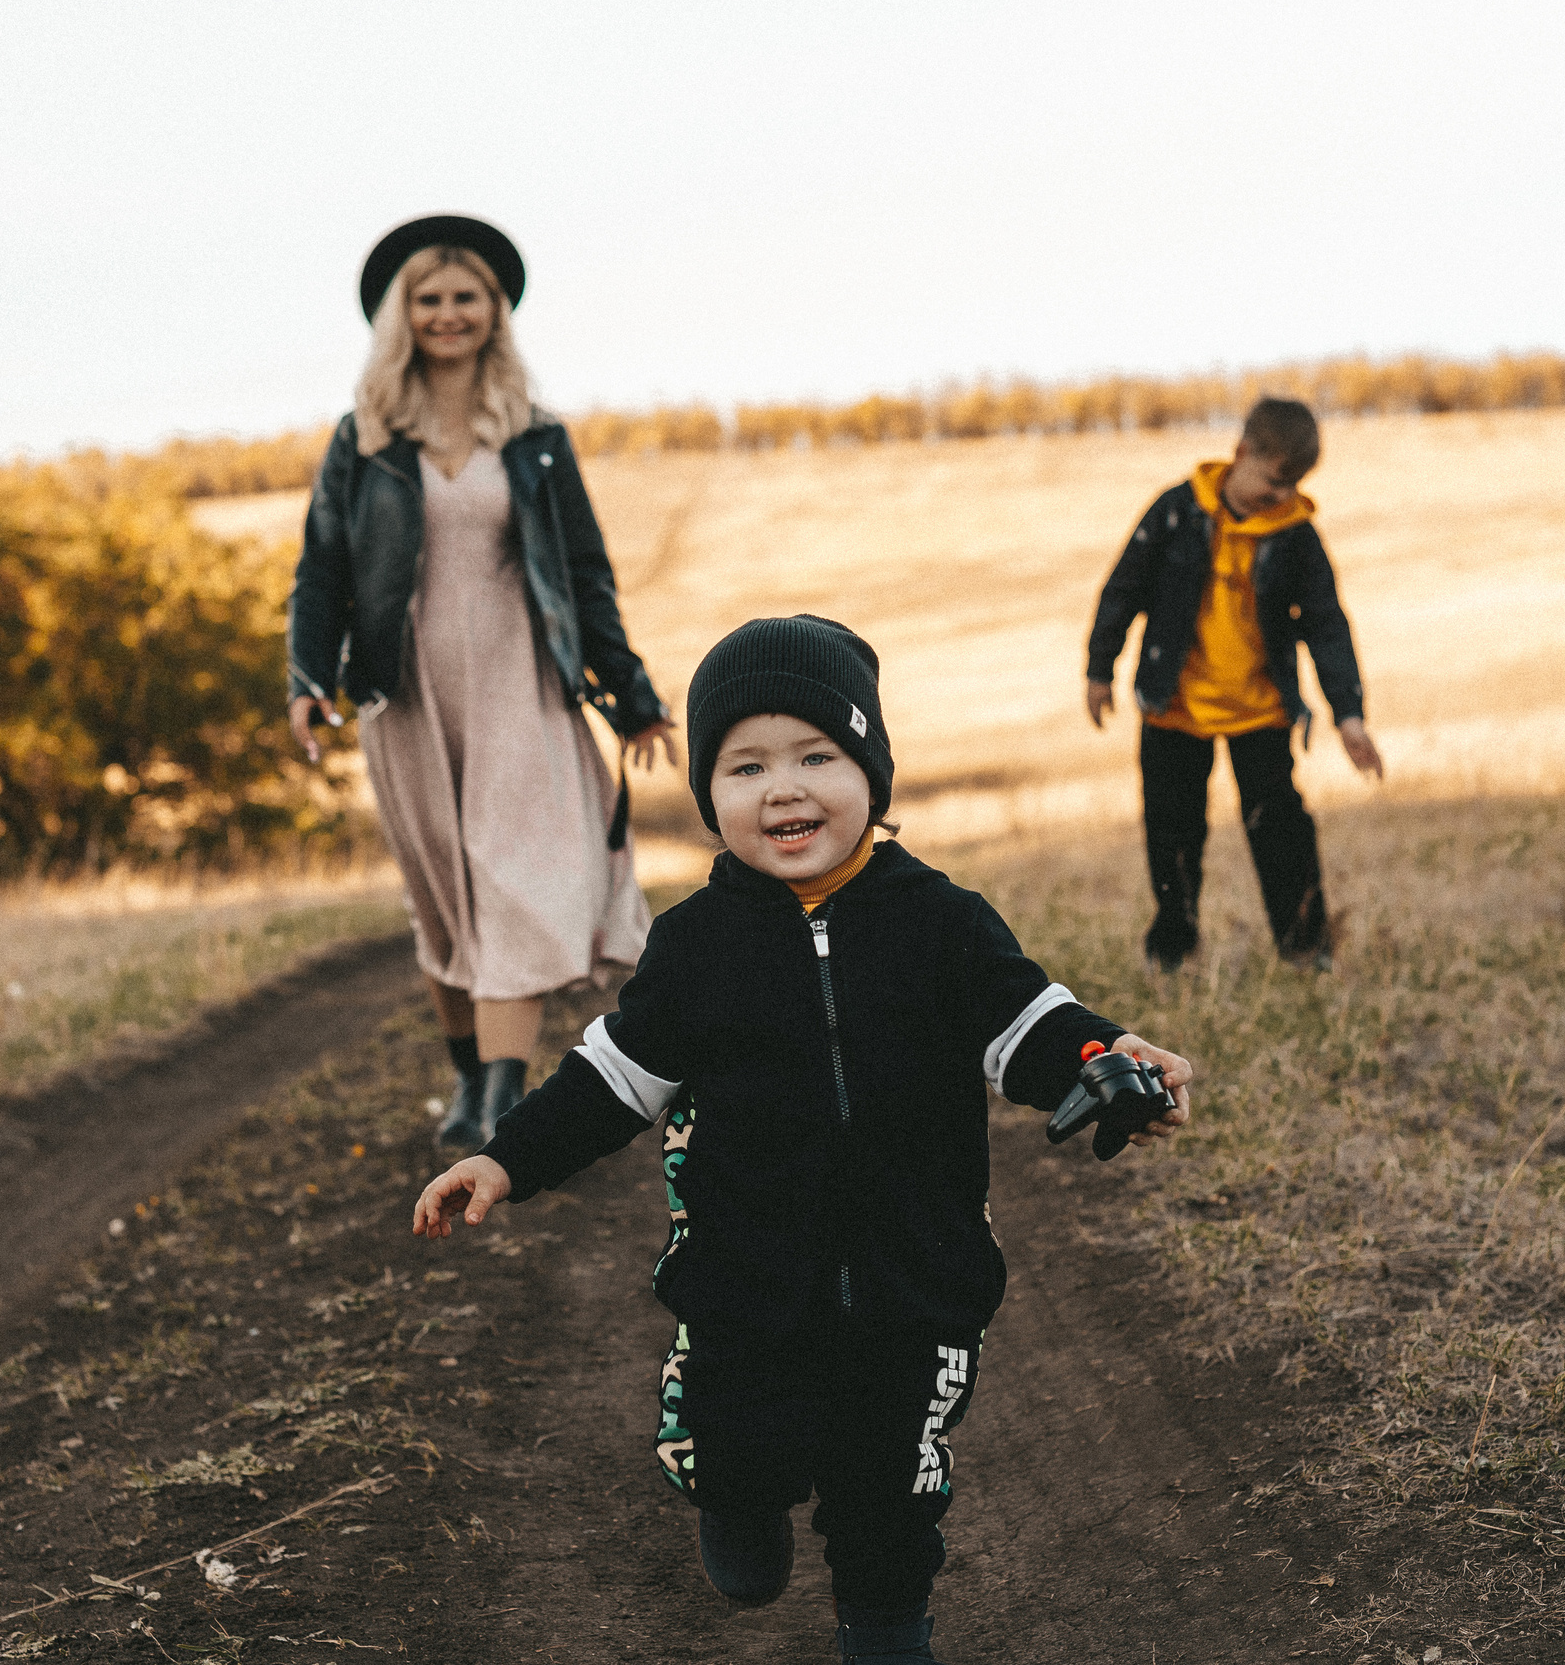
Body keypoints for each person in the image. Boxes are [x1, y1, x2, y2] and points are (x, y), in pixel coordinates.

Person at [412, 615, 1194, 1664]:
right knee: (738, 1446)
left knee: (889, 1494)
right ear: (710, 795)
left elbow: (1029, 1024)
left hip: (915, 1278)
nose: (783, 789)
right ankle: (736, 1496)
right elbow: (613, 1077)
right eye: (747, 766)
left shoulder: (941, 921)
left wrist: (1109, 1061)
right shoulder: (694, 946)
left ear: (872, 769)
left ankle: (886, 1636)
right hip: (745, 1284)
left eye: (817, 756)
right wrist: (505, 1156)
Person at [288, 214, 676, 1147]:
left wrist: (630, 695)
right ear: (403, 314)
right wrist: (308, 677)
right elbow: (323, 570)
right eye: (430, 298)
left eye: (467, 298)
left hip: (519, 688)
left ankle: (502, 1099)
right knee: (443, 894)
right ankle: (469, 1077)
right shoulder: (365, 440)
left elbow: (584, 574)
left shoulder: (535, 439)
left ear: (495, 312)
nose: (449, 313)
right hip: (406, 693)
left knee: (511, 880)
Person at [1083, 397, 1383, 973]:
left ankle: (1306, 948)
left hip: (1260, 710)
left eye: (1293, 485)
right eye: (1273, 480)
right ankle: (1174, 953)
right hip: (1174, 706)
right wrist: (1100, 669)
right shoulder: (1176, 512)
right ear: (1242, 452)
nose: (1281, 495)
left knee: (1281, 833)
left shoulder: (1296, 536)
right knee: (1171, 834)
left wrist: (1349, 715)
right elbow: (1123, 589)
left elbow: (1326, 625)